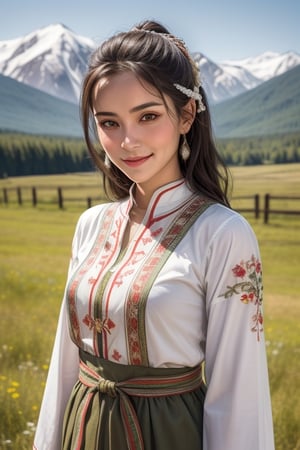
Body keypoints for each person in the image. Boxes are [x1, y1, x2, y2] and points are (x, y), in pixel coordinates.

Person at [33, 20, 274, 450]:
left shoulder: (223, 234)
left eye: (147, 116)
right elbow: (64, 362)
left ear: (186, 115)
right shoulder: (92, 224)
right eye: (109, 122)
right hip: (81, 429)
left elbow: (240, 394)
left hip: (166, 435)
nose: (128, 141)